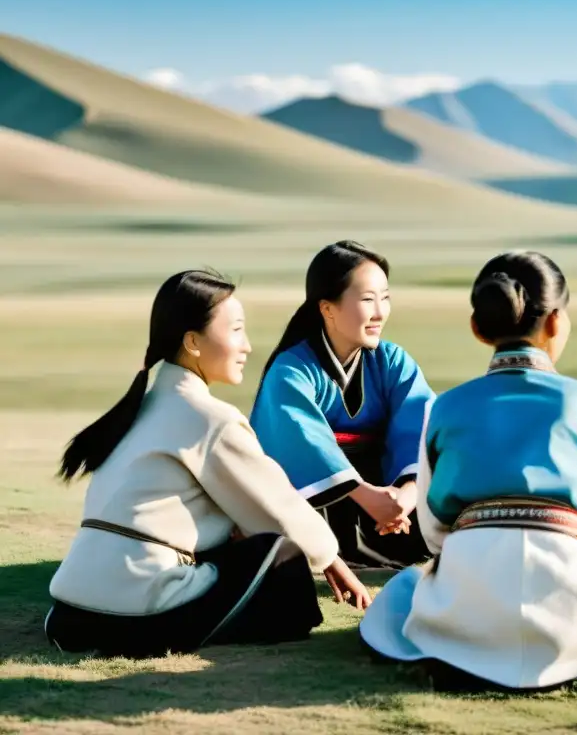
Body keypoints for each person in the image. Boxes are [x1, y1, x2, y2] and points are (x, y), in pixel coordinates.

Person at [358, 251, 577, 692]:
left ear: (479, 328)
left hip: (469, 607)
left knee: (400, 596)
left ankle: (462, 653)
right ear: (556, 321)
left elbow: (436, 531)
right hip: (571, 606)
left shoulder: (445, 408)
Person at [45, 270, 371, 659]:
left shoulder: (138, 410)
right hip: (136, 612)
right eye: (236, 330)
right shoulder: (208, 417)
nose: (247, 346)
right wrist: (332, 560)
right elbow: (278, 507)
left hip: (67, 614)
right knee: (280, 554)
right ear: (192, 342)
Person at [250, 241, 434, 569]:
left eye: (385, 298)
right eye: (367, 299)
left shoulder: (392, 362)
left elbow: (420, 427)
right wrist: (368, 497)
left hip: (388, 497)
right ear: (327, 308)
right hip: (323, 502)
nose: (380, 312)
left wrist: (403, 498)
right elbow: (302, 446)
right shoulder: (291, 371)